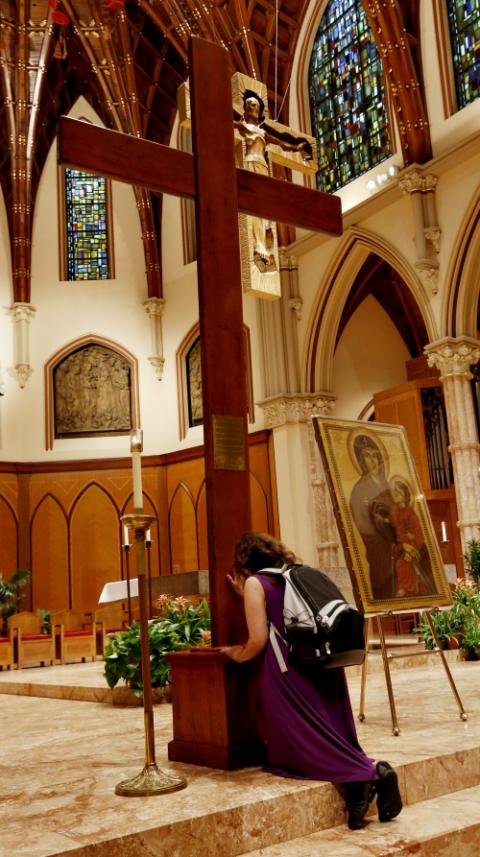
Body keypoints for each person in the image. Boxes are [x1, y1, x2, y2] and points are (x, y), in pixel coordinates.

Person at [220, 532, 403, 830]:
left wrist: (235, 654)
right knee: (326, 731)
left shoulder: (256, 583)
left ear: (243, 562)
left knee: (301, 745)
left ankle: (361, 780)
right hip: (322, 664)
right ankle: (372, 770)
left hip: (289, 671)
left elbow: (257, 639)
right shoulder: (298, 574)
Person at [234, 91, 312, 273]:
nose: (254, 109)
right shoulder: (241, 126)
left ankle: (265, 249)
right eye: (251, 106)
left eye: (257, 106)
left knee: (264, 209)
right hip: (249, 165)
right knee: (252, 207)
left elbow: (281, 144)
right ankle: (258, 248)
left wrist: (297, 147)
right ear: (245, 108)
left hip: (262, 167)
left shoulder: (262, 131)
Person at [349, 434, 397, 600]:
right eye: (367, 456)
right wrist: (384, 535)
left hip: (396, 547)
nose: (373, 460)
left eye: (376, 455)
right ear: (361, 461)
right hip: (379, 550)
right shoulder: (359, 490)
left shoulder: (389, 486)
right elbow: (363, 525)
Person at [389, 478, 435, 598]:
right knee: (400, 563)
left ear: (404, 496)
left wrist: (412, 548)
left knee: (403, 563)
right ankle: (405, 587)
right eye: (394, 492)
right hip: (402, 546)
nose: (395, 494)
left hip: (415, 546)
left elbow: (418, 534)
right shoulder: (394, 512)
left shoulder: (410, 512)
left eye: (398, 492)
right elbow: (393, 530)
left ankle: (407, 588)